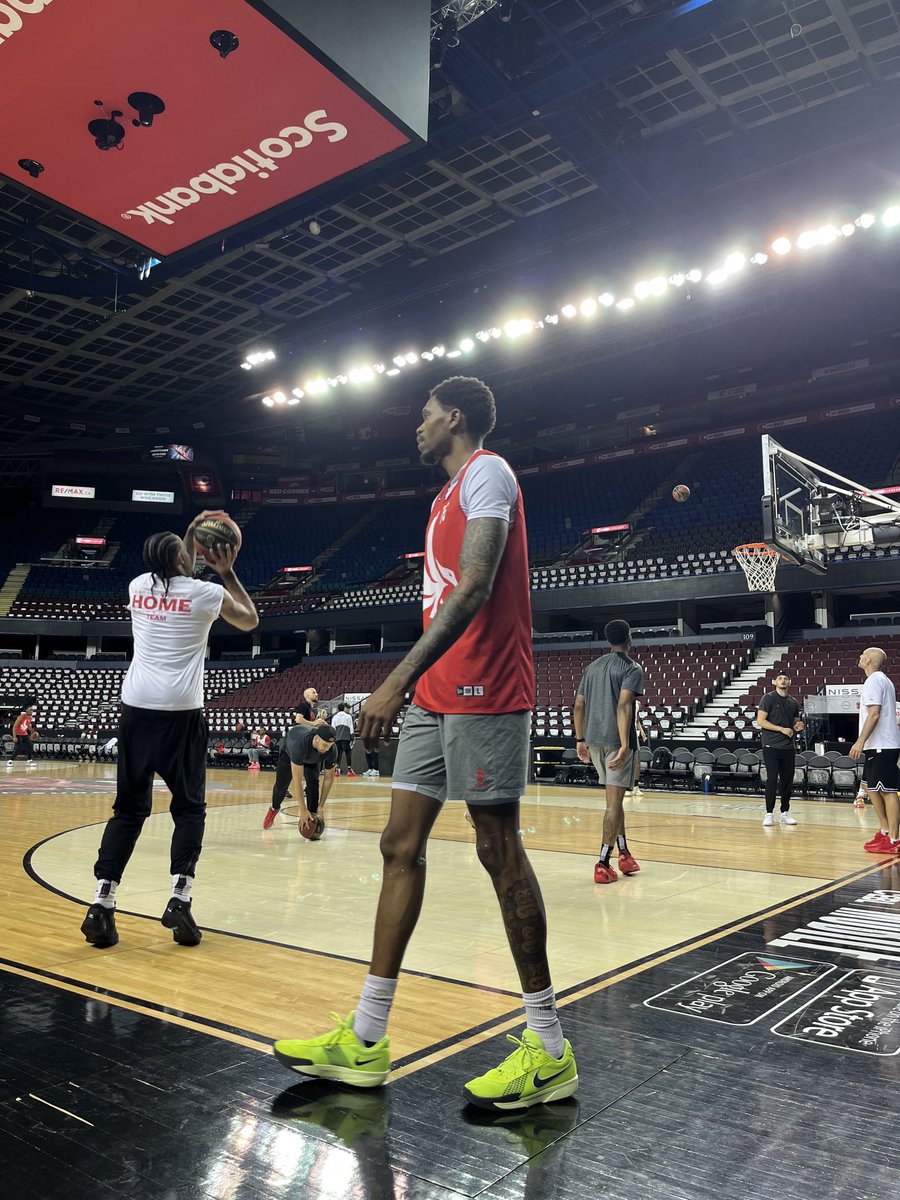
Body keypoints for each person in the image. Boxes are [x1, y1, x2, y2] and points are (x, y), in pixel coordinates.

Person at [274, 376, 577, 1110]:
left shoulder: (488, 473)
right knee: (396, 846)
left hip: (486, 689)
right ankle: (367, 1039)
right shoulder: (440, 498)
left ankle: (550, 1049)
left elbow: (474, 586)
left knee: (496, 848)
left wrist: (395, 680)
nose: (417, 426)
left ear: (456, 417)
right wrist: (415, 685)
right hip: (438, 695)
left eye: (425, 414)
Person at [80, 512, 258, 950]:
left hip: (137, 711)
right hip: (182, 716)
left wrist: (189, 534)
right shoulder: (207, 592)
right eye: (188, 551)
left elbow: (173, 561)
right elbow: (250, 619)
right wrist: (227, 570)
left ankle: (101, 903)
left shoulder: (138, 586)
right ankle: (180, 898)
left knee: (128, 811)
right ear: (183, 560)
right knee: (189, 809)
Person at [574, 620, 644, 883]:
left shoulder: (592, 667)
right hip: (616, 742)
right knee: (613, 804)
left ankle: (624, 853)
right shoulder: (632, 667)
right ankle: (603, 862)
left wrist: (580, 739)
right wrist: (625, 745)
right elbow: (624, 706)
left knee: (615, 801)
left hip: (593, 741)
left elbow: (578, 705)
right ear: (629, 637)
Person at [849, 647, 900, 854]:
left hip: (882, 744)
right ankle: (885, 831)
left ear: (868, 659)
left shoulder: (874, 681)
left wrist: (860, 741)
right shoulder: (882, 680)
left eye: (862, 655)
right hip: (877, 744)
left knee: (888, 791)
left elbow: (874, 715)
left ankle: (895, 839)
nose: (860, 657)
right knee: (871, 787)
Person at [263, 714, 335, 829]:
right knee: (281, 787)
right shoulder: (299, 744)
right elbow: (297, 780)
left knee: (313, 784)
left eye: (330, 746)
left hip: (312, 758)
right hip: (289, 754)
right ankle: (273, 809)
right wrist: (302, 810)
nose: (327, 749)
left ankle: (312, 820)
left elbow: (328, 779)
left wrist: (321, 806)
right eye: (325, 745)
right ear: (316, 739)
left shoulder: (330, 749)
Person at [757, 673, 804, 827]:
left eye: (786, 678)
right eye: (780, 678)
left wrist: (798, 727)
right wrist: (781, 729)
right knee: (772, 778)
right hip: (771, 745)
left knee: (787, 781)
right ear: (774, 681)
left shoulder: (793, 702)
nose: (783, 680)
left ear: (789, 682)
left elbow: (795, 723)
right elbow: (761, 721)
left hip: (788, 747)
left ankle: (784, 813)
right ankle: (769, 813)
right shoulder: (768, 698)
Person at [333, 703, 355, 776]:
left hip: (337, 738)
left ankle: (336, 770)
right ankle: (349, 770)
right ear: (344, 708)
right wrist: (352, 736)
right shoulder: (348, 716)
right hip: (346, 738)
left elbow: (333, 728)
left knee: (338, 754)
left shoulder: (334, 717)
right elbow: (351, 727)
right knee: (348, 753)